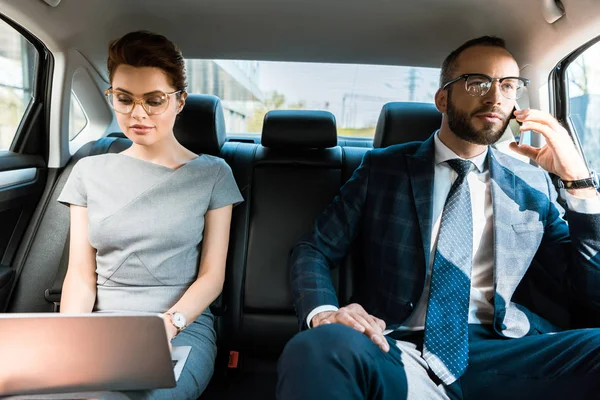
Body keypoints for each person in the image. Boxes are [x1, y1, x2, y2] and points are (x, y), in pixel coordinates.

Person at [277, 36, 600, 400]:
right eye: (478, 82)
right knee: (318, 347)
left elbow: (591, 294)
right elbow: (313, 249)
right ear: (442, 98)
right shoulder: (383, 170)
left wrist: (580, 185)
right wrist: (324, 314)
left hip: (505, 350)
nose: (495, 97)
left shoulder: (530, 183)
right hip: (398, 347)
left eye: (508, 86)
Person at [58, 31, 243, 399]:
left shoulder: (213, 174)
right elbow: (80, 275)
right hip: (103, 326)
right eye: (123, 99)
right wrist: (69, 338)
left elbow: (212, 277)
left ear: (179, 102)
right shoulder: (88, 173)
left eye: (154, 101)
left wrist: (168, 324)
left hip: (181, 325)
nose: (137, 114)